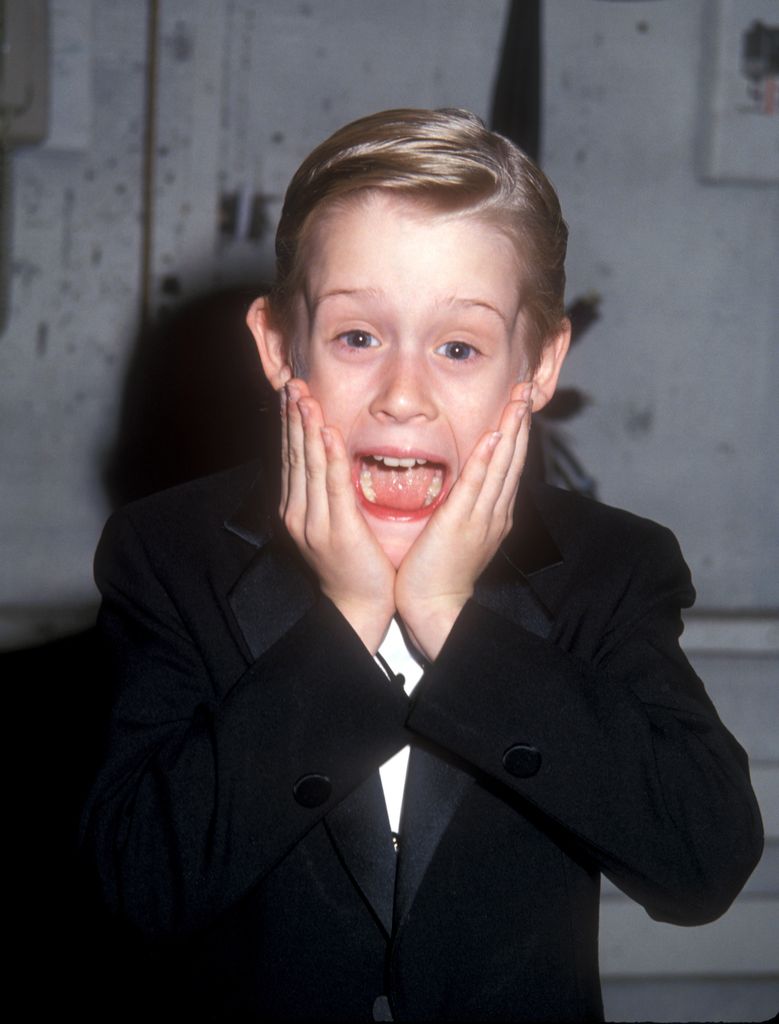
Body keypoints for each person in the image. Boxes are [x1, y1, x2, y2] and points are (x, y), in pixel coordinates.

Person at [82, 108, 763, 1022]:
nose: (403, 395)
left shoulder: (609, 567)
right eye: (358, 338)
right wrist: (347, 615)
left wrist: (451, 613)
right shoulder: (169, 555)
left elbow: (701, 865)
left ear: (538, 362)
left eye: (458, 347)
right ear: (281, 348)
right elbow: (138, 884)